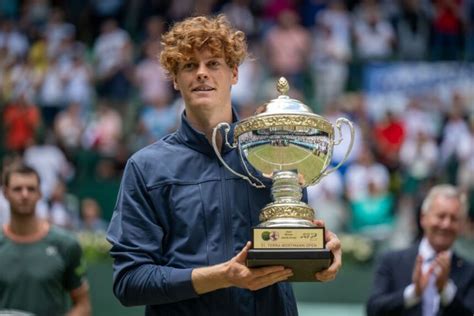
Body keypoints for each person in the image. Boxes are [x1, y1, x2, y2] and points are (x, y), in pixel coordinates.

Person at [106, 14, 341, 315]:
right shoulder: (146, 168)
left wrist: (322, 251)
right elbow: (130, 281)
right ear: (175, 80)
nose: (202, 73)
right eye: (190, 65)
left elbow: (290, 247)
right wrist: (222, 276)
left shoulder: (275, 152)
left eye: (213, 63)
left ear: (234, 74)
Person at [366, 184, 474, 316]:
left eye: (454, 219)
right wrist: (414, 293)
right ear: (423, 218)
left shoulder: (470, 272)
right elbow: (373, 309)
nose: (446, 224)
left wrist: (446, 291)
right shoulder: (391, 261)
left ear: (461, 225)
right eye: (441, 216)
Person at [0, 163, 91, 316]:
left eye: (31, 188)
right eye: (17, 189)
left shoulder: (66, 245)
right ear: (5, 193)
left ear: (40, 193)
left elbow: (83, 305)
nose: (24, 195)